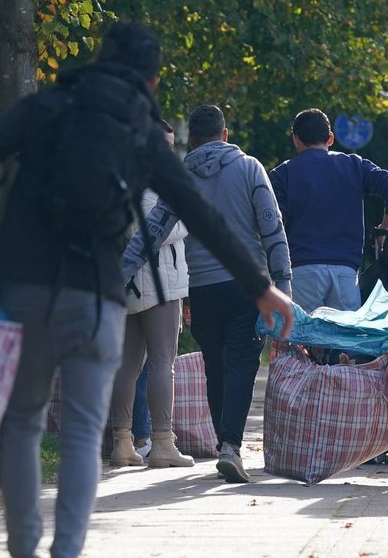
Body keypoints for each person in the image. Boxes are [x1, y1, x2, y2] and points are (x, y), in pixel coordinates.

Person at [0, 24, 293, 558]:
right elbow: (195, 211)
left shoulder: (51, 102)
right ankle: (66, 548)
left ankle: (23, 545)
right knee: (86, 433)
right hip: (93, 289)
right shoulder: (138, 125)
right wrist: (261, 287)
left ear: (99, 59)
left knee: (21, 419)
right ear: (152, 79)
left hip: (21, 280)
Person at [121, 104, 292, 484]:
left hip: (201, 288)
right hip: (247, 285)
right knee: (243, 364)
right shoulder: (250, 168)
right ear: (226, 134)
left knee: (215, 363)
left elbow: (152, 233)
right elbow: (272, 229)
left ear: (192, 140)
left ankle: (223, 443)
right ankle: (229, 444)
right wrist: (283, 285)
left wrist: (118, 275)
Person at [106, 120, 194, 470]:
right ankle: (161, 441)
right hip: (159, 285)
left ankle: (122, 442)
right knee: (162, 363)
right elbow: (176, 228)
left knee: (127, 367)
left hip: (125, 287)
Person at [269, 108, 388, 312]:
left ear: (296, 139)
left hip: (302, 269)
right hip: (346, 272)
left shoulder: (283, 174)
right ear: (330, 138)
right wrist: (382, 230)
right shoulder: (354, 165)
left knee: (304, 339)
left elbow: (275, 223)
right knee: (343, 340)